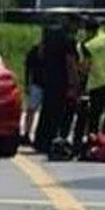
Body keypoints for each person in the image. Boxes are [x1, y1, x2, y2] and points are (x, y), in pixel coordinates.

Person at [34, 14, 82, 153]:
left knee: (46, 111)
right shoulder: (69, 40)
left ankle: (40, 141)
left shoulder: (49, 35)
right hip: (63, 81)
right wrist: (75, 82)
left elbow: (41, 54)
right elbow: (70, 63)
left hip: (48, 78)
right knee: (59, 113)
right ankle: (53, 141)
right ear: (72, 24)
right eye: (77, 25)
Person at [22, 37, 44, 146]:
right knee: (31, 110)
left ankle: (40, 135)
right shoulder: (34, 50)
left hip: (49, 85)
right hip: (36, 84)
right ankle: (26, 133)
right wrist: (27, 84)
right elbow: (28, 68)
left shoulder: (53, 50)